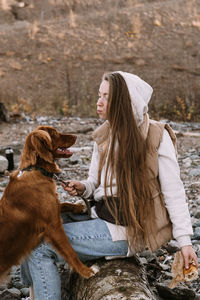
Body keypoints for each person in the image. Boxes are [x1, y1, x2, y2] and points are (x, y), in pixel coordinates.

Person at [21, 71, 198, 300]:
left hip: (125, 229)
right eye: (99, 94)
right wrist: (83, 187)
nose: (99, 101)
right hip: (101, 215)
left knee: (42, 243)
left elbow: (174, 192)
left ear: (124, 101)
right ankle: (35, 294)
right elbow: (95, 182)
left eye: (106, 96)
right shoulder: (105, 134)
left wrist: (185, 243)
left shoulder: (155, 136)